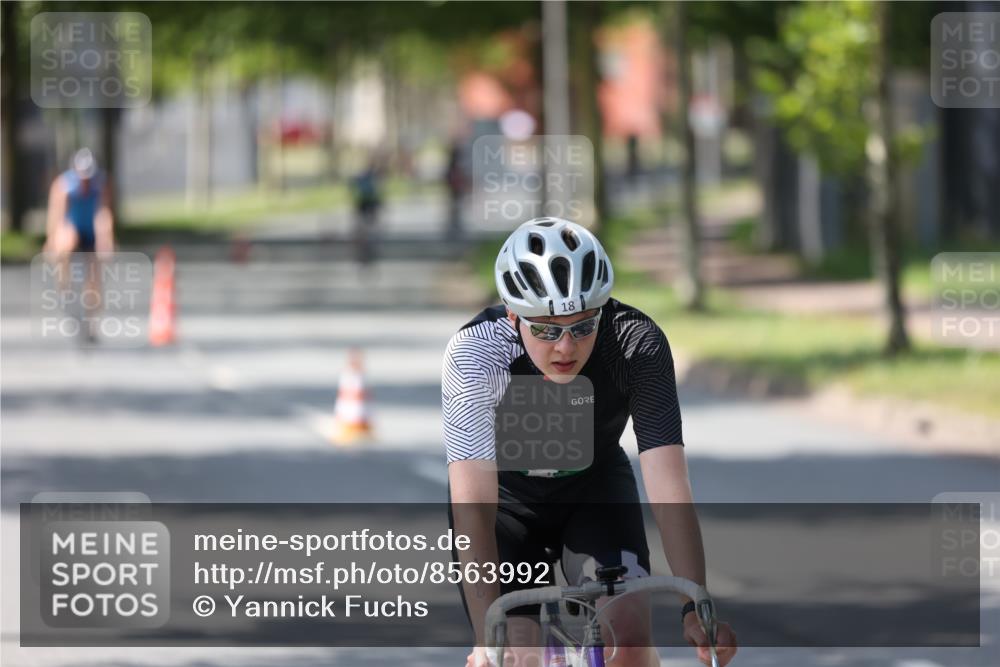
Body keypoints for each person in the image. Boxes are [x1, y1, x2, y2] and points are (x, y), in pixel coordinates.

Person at [443, 217, 737, 667]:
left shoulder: (635, 342)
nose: (565, 347)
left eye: (583, 326)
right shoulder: (477, 353)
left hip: (594, 492)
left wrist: (695, 605)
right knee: (517, 656)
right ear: (512, 314)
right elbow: (473, 507)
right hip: (505, 510)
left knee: (629, 647)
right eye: (545, 329)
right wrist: (488, 637)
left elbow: (668, 484)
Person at [43, 148, 115, 342]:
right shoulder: (64, 186)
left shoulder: (100, 185)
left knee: (94, 278)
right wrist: (52, 240)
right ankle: (65, 287)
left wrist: (105, 240)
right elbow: (57, 217)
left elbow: (103, 214)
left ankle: (91, 325)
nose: (85, 182)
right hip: (72, 227)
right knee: (66, 242)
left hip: (90, 230)